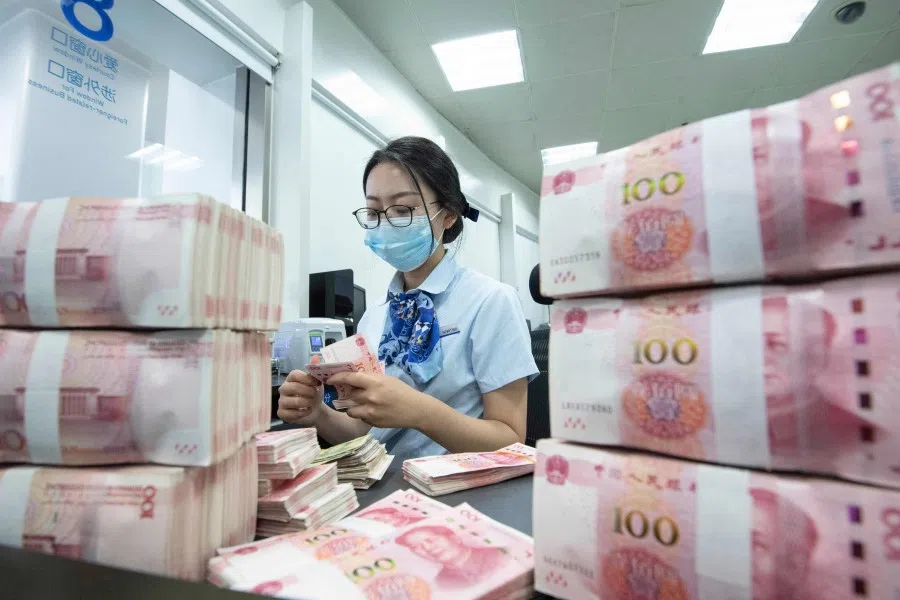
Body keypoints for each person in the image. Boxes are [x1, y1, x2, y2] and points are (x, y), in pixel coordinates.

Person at [278, 136, 538, 461]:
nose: (386, 222)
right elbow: (361, 433)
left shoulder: (491, 301)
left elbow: (510, 439)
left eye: (403, 209)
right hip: (383, 494)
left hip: (459, 498)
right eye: (374, 211)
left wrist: (418, 411)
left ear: (449, 214)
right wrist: (316, 413)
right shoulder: (375, 317)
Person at [394, 525, 509, 589]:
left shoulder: (501, 555)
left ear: (454, 538)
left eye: (431, 540)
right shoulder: (441, 583)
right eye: (416, 547)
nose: (427, 548)